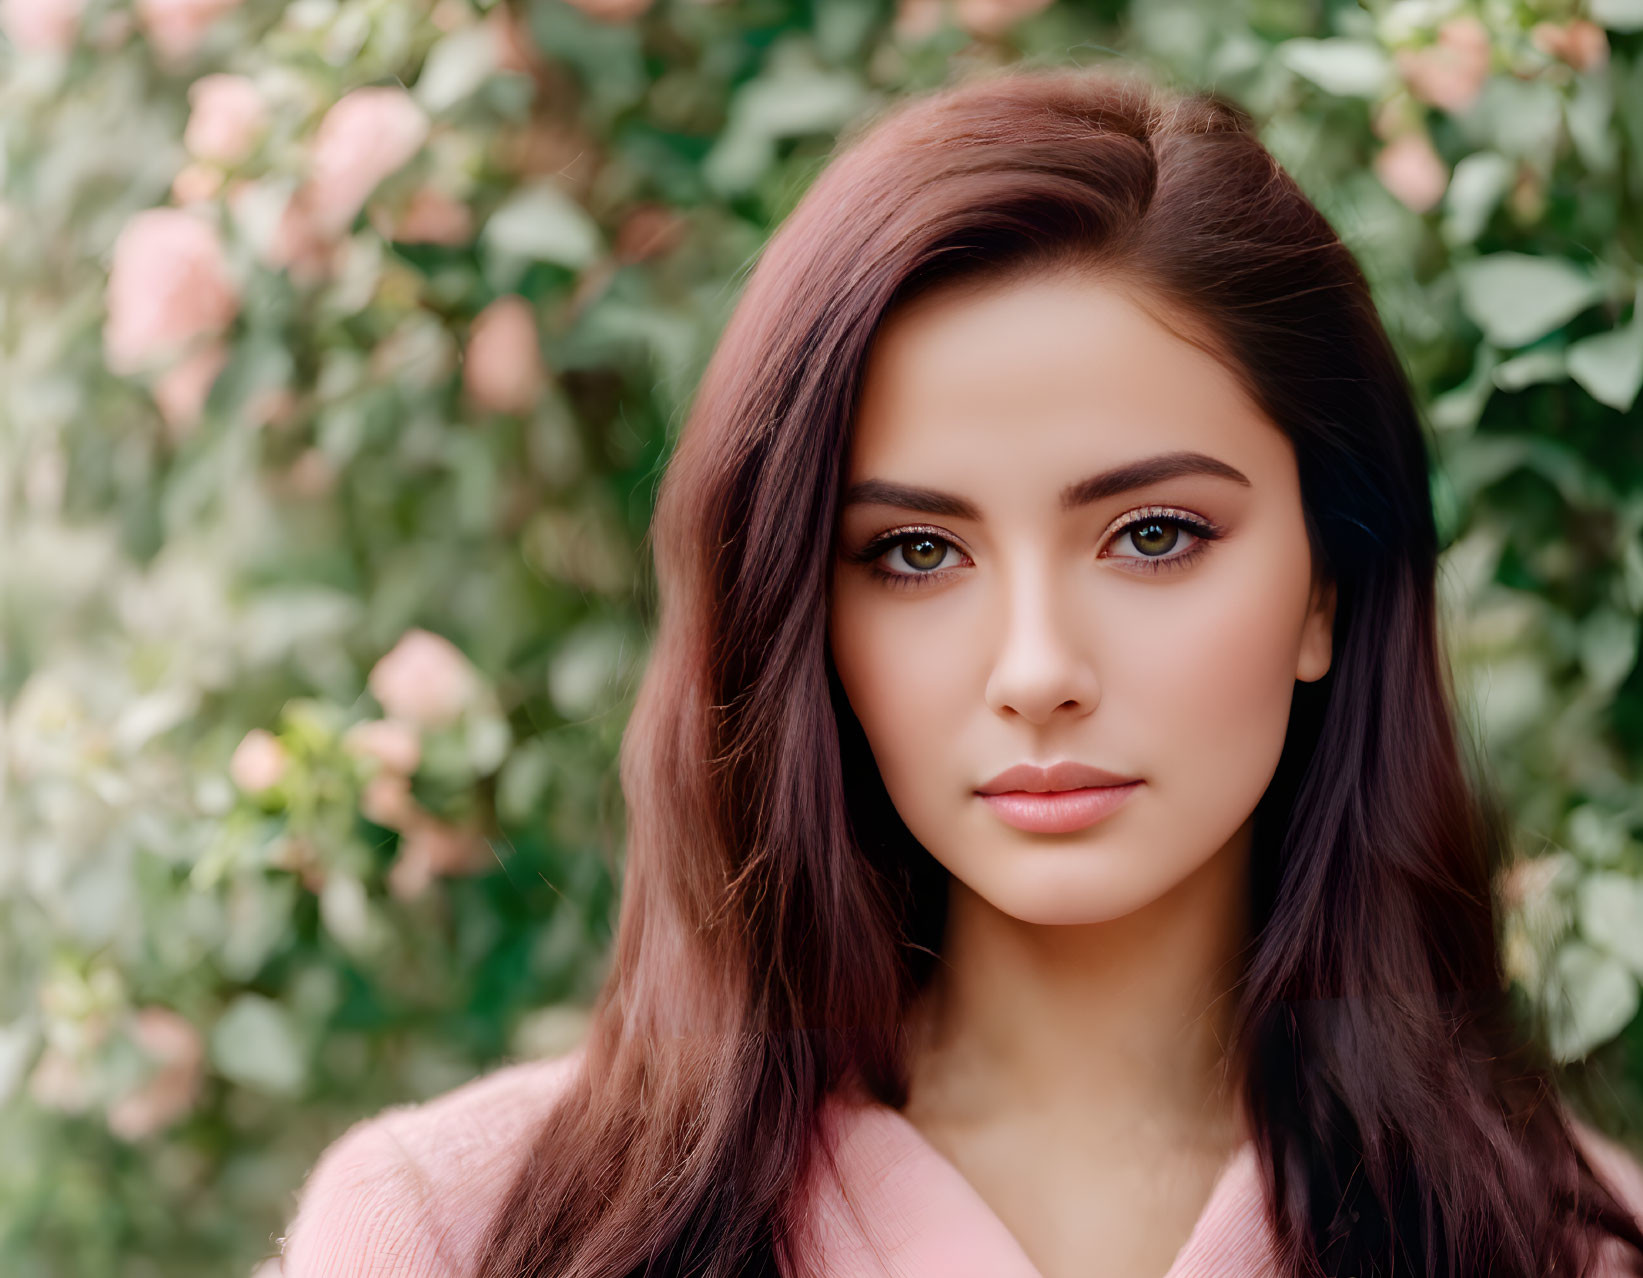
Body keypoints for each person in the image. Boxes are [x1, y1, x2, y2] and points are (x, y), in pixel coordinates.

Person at [274, 63, 1643, 1278]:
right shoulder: (461, 1232)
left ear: (1325, 586)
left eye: (1154, 535)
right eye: (917, 551)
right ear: (802, 607)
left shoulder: (1564, 1249)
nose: (1038, 669)